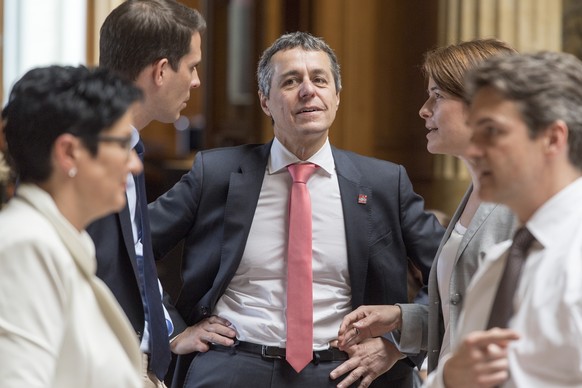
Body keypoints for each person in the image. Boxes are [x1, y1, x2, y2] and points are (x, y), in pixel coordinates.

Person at [149, 31, 444, 388]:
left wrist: (396, 345)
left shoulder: (384, 183)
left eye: (320, 80)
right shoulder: (216, 174)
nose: (308, 90)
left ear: (337, 96)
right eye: (291, 81)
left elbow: (448, 274)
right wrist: (173, 330)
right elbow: (129, 247)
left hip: (347, 371)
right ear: (264, 100)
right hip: (232, 365)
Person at [336, 39, 519, 379]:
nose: (424, 109)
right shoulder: (477, 190)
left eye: (437, 96)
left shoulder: (519, 200)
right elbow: (463, 310)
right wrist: (402, 318)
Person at [426, 50, 582, 387]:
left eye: (492, 131)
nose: (475, 148)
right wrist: (449, 378)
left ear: (552, 139)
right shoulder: (500, 264)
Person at [86, 1, 206, 386]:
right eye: (191, 66)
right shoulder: (87, 157)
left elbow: (136, 259)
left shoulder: (131, 145)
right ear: (160, 71)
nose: (196, 80)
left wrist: (169, 332)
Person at [0, 65, 143, 387]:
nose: (134, 163)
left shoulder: (61, 241)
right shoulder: (26, 245)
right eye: (122, 144)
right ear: (69, 152)